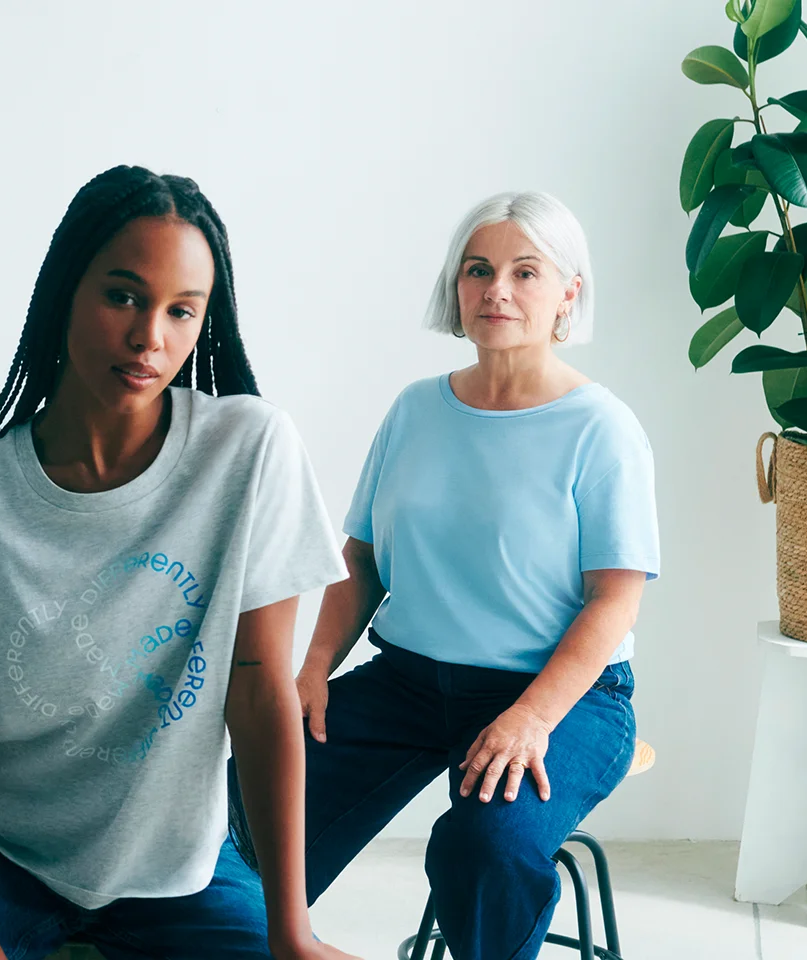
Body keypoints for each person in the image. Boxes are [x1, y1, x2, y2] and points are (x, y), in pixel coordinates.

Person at [0, 166, 360, 960]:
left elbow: (260, 696)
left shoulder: (249, 451)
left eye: (181, 311)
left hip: (179, 875)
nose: (149, 336)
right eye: (123, 295)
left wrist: (292, 933)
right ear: (66, 291)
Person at [296, 191, 658, 960]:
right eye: (479, 270)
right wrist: (314, 669)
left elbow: (615, 598)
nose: (497, 290)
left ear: (568, 293)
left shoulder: (601, 429)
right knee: (253, 802)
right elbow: (359, 562)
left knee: (485, 843)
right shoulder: (414, 412)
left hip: (563, 697)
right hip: (408, 683)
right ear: (456, 287)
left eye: (527, 272)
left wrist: (530, 718)